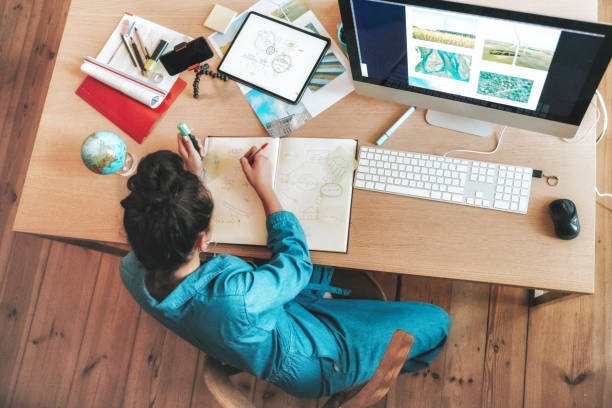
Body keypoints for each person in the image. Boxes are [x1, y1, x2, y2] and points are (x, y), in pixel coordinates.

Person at [120, 133, 450, 398]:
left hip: (255, 325)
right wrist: (265, 188)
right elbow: (295, 264)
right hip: (316, 362)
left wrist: (191, 182)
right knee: (437, 321)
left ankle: (336, 311)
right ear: (201, 241)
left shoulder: (131, 270)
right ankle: (372, 356)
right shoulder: (236, 296)